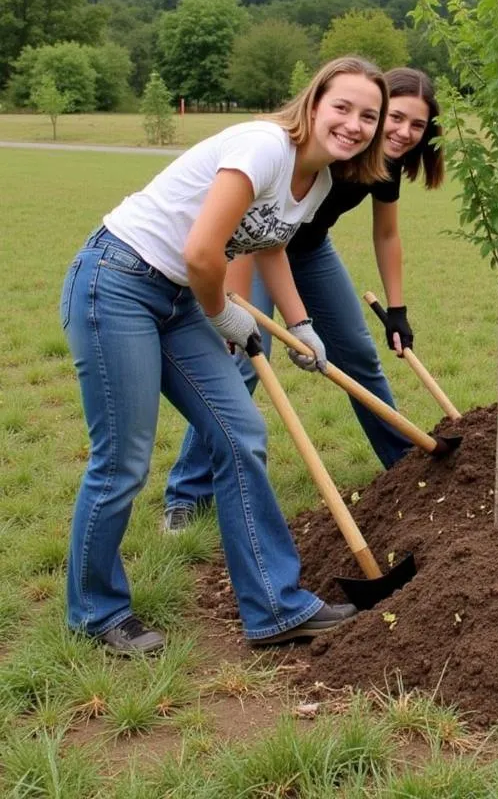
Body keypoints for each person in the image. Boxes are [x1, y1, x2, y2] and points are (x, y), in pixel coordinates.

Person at [61, 56, 388, 654]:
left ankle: (275, 606)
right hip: (118, 281)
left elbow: (271, 247)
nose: (354, 124)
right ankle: (96, 613)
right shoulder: (264, 146)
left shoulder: (316, 181)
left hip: (178, 297)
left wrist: (302, 323)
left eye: (369, 115)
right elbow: (203, 252)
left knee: (241, 434)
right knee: (124, 461)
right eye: (342, 107)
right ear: (314, 103)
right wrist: (222, 313)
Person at [163, 67, 445, 530]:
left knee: (358, 354)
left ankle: (403, 464)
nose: (403, 133)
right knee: (242, 363)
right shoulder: (324, 141)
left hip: (310, 252)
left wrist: (397, 310)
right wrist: (229, 303)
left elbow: (387, 233)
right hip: (253, 248)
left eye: (417, 125)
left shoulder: (383, 161)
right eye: (395, 118)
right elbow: (243, 226)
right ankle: (187, 492)